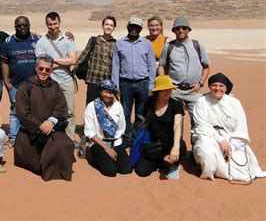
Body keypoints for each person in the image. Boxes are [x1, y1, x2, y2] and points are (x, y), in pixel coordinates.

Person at [192, 73, 265, 182]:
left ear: (226, 88)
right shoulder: (201, 101)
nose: (217, 88)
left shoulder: (234, 103)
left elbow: (241, 128)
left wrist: (232, 146)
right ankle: (207, 170)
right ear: (210, 86)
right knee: (206, 152)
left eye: (221, 86)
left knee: (241, 173)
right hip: (207, 136)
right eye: (214, 85)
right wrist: (220, 140)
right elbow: (201, 126)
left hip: (231, 138)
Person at [14, 55, 75, 181]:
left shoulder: (55, 86)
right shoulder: (25, 86)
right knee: (38, 164)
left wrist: (50, 122)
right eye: (41, 68)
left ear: (51, 70)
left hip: (51, 128)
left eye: (47, 69)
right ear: (36, 68)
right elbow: (22, 113)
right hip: (32, 132)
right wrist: (40, 125)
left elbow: (61, 108)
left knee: (65, 144)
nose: (43, 72)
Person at [111, 17, 156, 146]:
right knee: (125, 113)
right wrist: (115, 86)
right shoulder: (119, 44)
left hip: (143, 83)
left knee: (140, 114)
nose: (134, 29)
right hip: (125, 84)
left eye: (137, 27)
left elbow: (152, 65)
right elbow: (116, 66)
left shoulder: (147, 44)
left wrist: (151, 85)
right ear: (127, 27)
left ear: (141, 29)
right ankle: (126, 138)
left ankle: (136, 139)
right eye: (132, 27)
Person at [158, 17, 210, 126]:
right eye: (178, 28)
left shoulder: (197, 45)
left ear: (188, 30)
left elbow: (206, 66)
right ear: (174, 30)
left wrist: (200, 83)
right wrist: (165, 84)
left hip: (193, 92)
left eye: (184, 28)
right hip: (174, 91)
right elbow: (161, 65)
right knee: (175, 123)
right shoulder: (169, 46)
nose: (181, 30)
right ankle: (176, 143)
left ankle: (196, 143)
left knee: (198, 122)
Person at [35, 12, 78, 144]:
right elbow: (42, 66)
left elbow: (73, 60)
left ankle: (69, 139)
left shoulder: (68, 39)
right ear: (46, 24)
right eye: (50, 24)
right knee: (50, 111)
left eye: (55, 24)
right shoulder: (41, 42)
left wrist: (52, 61)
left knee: (69, 111)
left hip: (66, 81)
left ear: (59, 23)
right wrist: (62, 62)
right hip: (50, 82)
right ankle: (53, 138)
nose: (53, 26)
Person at [134, 75, 186, 178]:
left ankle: (174, 164)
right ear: (158, 91)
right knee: (142, 171)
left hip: (169, 142)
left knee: (181, 146)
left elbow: (177, 126)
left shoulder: (176, 105)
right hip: (154, 143)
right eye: (164, 90)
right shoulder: (149, 102)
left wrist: (175, 147)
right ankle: (161, 160)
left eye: (170, 89)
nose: (168, 92)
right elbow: (145, 121)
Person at [1, 16, 39, 148]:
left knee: (34, 110)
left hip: (34, 84)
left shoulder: (37, 39)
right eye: (19, 26)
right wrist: (6, 82)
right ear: (15, 27)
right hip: (15, 85)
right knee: (15, 110)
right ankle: (13, 137)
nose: (22, 28)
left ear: (29, 25)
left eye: (25, 25)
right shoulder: (8, 42)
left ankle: (32, 134)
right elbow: (5, 62)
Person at [84, 80, 132, 177]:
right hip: (99, 143)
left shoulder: (118, 106)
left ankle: (107, 159)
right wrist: (106, 148)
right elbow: (89, 131)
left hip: (115, 142)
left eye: (111, 93)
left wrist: (118, 145)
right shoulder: (92, 106)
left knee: (126, 169)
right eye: (105, 92)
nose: (108, 95)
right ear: (100, 92)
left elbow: (121, 127)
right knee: (111, 171)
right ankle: (95, 157)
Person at [77, 15, 117, 105]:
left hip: (107, 83)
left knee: (106, 109)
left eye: (111, 25)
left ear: (114, 27)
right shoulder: (94, 41)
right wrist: (75, 70)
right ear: (102, 25)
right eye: (106, 24)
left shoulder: (115, 44)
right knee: (91, 108)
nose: (108, 27)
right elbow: (82, 57)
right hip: (93, 81)